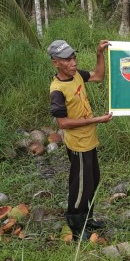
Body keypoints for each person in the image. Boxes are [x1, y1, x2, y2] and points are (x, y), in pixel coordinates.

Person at [48, 39, 113, 240]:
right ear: (56, 63)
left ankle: (88, 219)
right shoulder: (57, 90)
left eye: (73, 57)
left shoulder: (76, 75)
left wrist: (99, 54)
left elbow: (98, 76)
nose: (73, 62)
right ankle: (76, 227)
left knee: (93, 181)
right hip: (78, 144)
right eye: (67, 60)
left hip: (89, 139)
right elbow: (63, 123)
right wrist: (97, 119)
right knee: (80, 186)